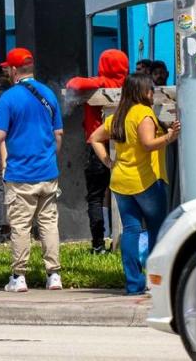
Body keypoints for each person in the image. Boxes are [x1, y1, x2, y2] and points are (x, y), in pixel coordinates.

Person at [89, 72, 179, 295]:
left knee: (131, 231)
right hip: (147, 180)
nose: (153, 93)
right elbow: (148, 144)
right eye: (151, 89)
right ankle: (156, 280)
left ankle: (133, 284)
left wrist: (108, 161)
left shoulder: (119, 115)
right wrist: (170, 136)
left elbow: (94, 138)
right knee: (157, 230)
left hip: (120, 181)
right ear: (143, 91)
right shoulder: (144, 113)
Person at [0, 48, 64, 293]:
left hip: (20, 172)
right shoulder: (48, 93)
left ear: (13, 70)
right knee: (48, 224)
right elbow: (59, 134)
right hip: (47, 171)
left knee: (20, 226)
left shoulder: (8, 98)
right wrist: (50, 157)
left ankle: (18, 277)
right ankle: (54, 274)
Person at [65, 49, 130, 254]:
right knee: (129, 195)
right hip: (127, 145)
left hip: (97, 146)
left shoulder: (99, 83)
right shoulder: (131, 85)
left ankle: (98, 244)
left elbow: (73, 84)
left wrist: (99, 79)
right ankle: (125, 241)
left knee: (95, 196)